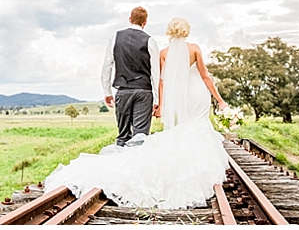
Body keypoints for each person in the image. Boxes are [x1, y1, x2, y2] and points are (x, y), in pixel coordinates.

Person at [44, 17, 230, 210]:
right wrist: (220, 99)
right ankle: (198, 169)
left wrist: (161, 105)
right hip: (197, 93)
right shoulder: (194, 48)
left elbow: (162, 80)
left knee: (182, 129)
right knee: (197, 127)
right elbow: (205, 76)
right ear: (186, 30)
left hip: (174, 97)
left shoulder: (164, 52)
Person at [100, 6, 160, 147]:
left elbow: (107, 66)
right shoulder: (150, 41)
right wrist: (157, 99)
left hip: (123, 91)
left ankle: (120, 166)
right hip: (144, 92)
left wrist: (107, 91)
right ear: (145, 22)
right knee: (140, 138)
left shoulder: (115, 37)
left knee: (123, 136)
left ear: (130, 19)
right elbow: (155, 73)